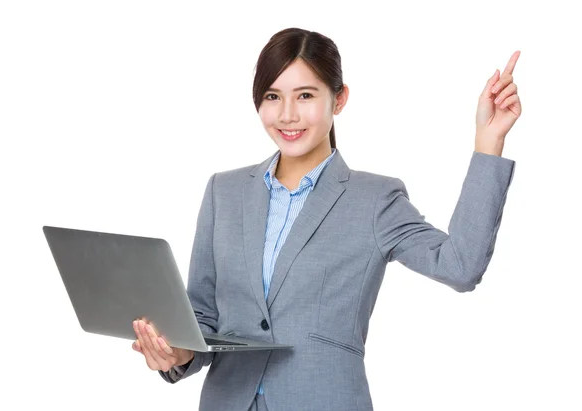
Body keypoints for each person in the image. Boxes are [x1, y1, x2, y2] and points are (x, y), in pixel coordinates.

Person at [131, 28, 521, 411]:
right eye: (272, 96)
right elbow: (202, 316)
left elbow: (460, 265)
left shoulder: (374, 198)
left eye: (305, 95)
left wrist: (488, 143)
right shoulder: (224, 192)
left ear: (339, 99)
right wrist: (177, 351)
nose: (287, 115)